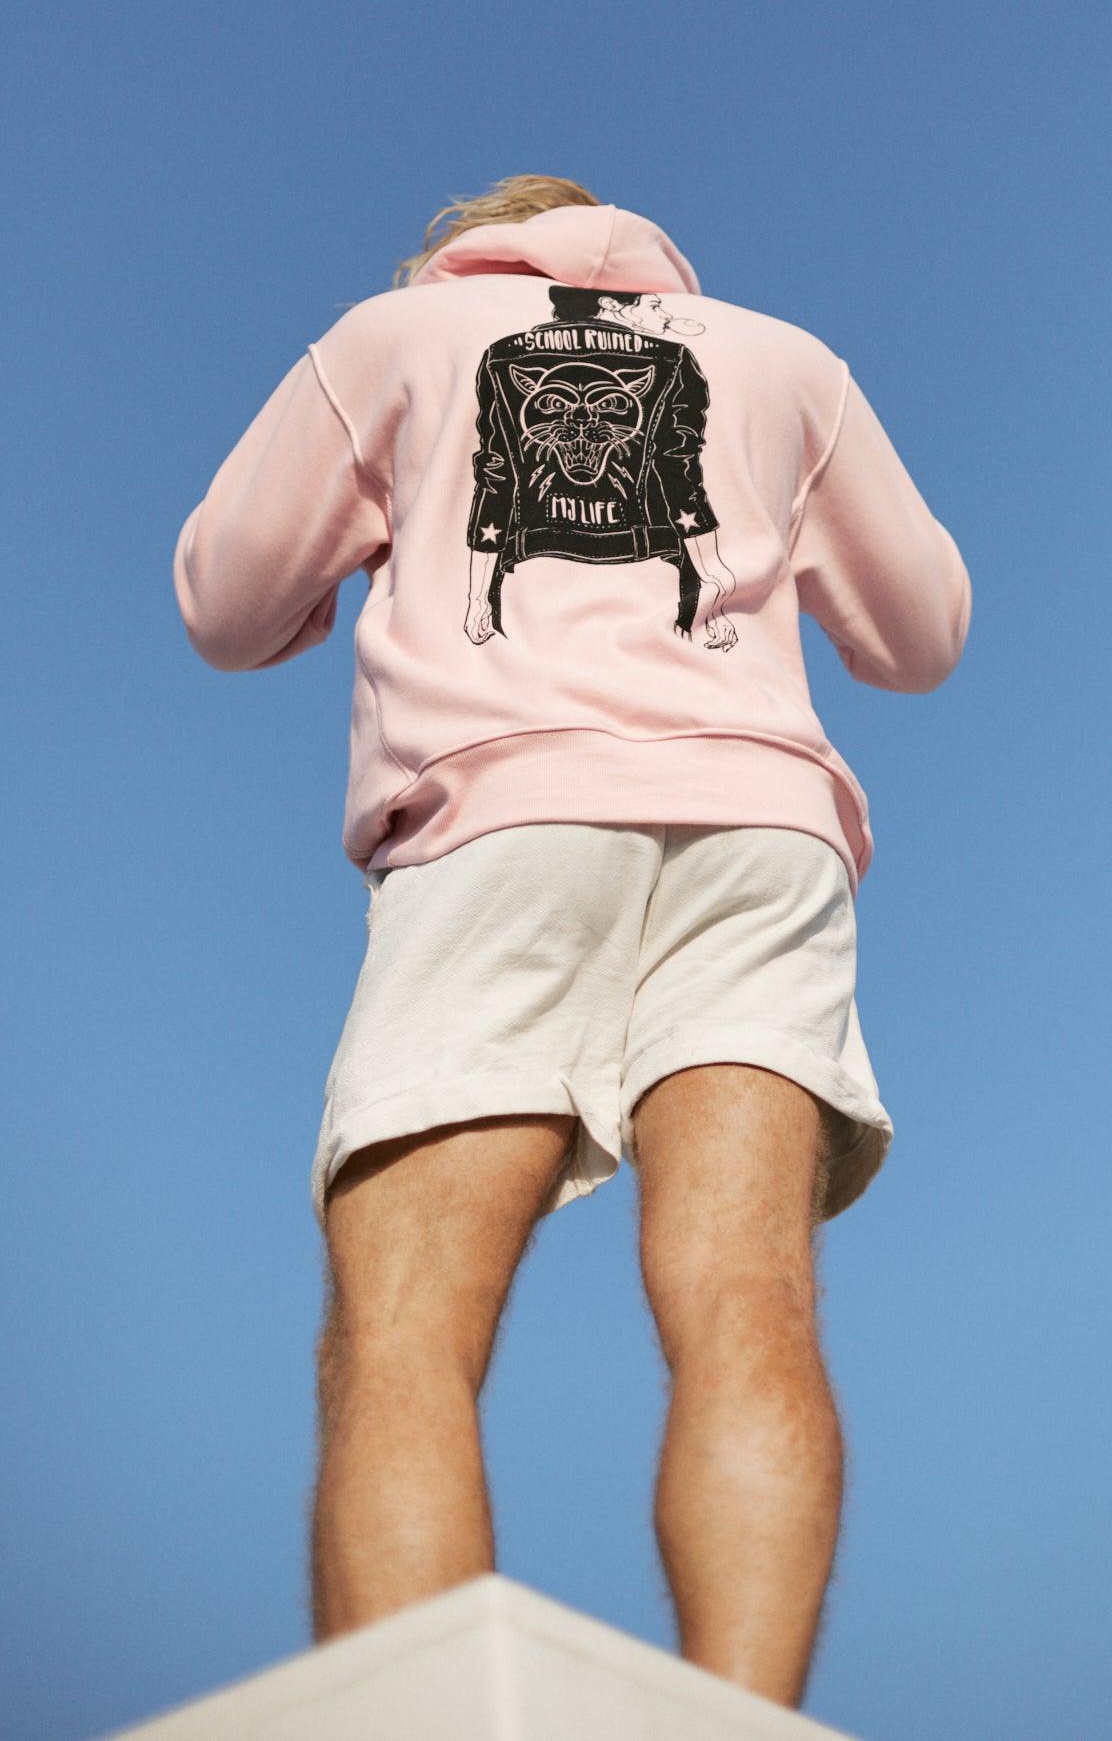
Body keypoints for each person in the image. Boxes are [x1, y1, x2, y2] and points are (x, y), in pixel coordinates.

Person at [171, 174, 970, 1711]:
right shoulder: (788, 361)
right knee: (746, 1299)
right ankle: (740, 1717)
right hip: (761, 830)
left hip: (504, 823)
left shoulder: (397, 336)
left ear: (461, 249)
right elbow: (922, 635)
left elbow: (223, 594)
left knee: (406, 1327)